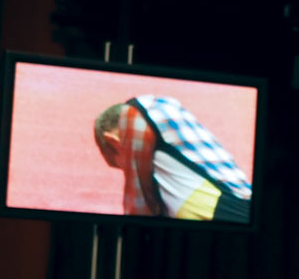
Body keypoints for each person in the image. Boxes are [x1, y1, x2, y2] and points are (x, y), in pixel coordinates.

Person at [94, 95, 253, 223]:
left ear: (113, 141)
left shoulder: (135, 112)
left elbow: (138, 211)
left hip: (226, 211)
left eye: (123, 166)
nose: (129, 170)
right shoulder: (165, 110)